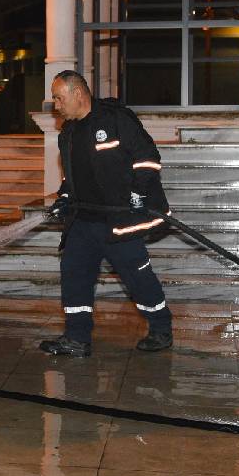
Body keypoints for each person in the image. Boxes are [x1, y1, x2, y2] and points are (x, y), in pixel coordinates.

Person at [40, 70, 174, 357]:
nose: (56, 105)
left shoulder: (116, 120)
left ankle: (161, 329)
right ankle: (77, 339)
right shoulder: (69, 133)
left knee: (137, 277)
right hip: (83, 222)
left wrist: (138, 194)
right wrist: (64, 197)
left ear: (78, 94)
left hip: (119, 221)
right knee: (74, 274)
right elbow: (72, 177)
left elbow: (148, 159)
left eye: (59, 98)